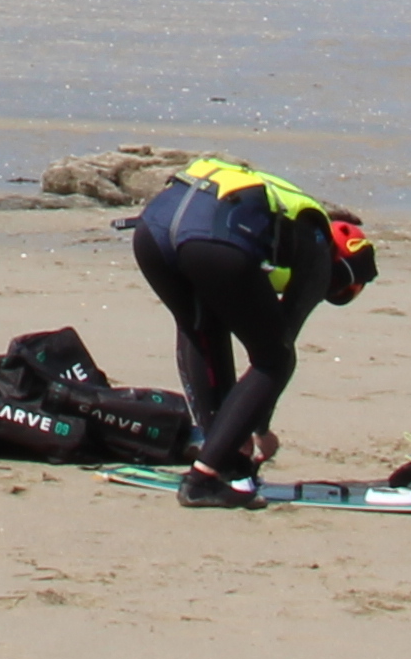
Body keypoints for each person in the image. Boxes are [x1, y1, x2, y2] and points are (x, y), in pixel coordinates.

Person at [126, 155, 379, 509]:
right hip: (210, 235)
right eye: (333, 290)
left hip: (153, 228)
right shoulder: (318, 243)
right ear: (345, 269)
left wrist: (235, 433)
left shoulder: (283, 211)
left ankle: (221, 459)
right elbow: (280, 340)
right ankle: (204, 477)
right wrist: (259, 429)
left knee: (200, 328)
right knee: (276, 359)